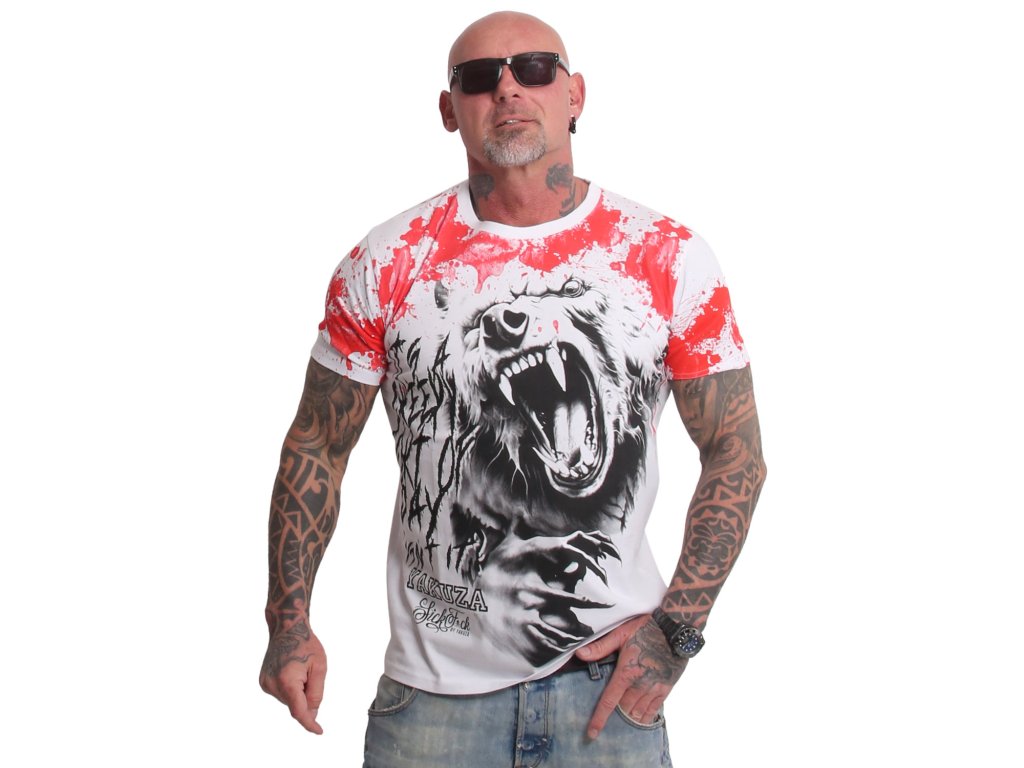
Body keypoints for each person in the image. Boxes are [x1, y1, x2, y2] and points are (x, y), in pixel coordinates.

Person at [260, 11, 766, 767]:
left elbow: (735, 450)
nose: (507, 90)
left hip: (610, 695)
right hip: (432, 704)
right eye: (477, 78)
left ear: (575, 94)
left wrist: (676, 632)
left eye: (533, 68)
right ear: (448, 109)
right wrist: (288, 623)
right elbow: (317, 446)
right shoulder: (389, 260)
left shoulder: (666, 256)